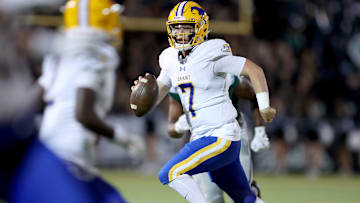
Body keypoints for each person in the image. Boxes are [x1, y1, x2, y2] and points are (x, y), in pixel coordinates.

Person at [132, 1, 276, 202]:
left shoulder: (212, 52)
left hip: (220, 136)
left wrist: (265, 106)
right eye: (177, 27)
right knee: (246, 198)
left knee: (170, 173)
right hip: (203, 137)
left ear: (200, 27)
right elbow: (157, 94)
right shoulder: (170, 58)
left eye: (187, 27)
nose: (181, 32)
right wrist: (140, 97)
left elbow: (254, 70)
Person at [35, 0, 143, 202]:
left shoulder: (57, 50)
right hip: (72, 149)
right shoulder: (97, 51)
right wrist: (123, 138)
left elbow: (38, 96)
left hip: (50, 146)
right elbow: (83, 113)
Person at [167, 75, 270, 202]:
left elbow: (254, 96)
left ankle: (251, 192)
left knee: (243, 193)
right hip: (202, 139)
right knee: (212, 198)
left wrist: (260, 130)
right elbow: (171, 129)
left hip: (232, 135)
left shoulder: (225, 73)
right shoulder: (177, 80)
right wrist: (178, 126)